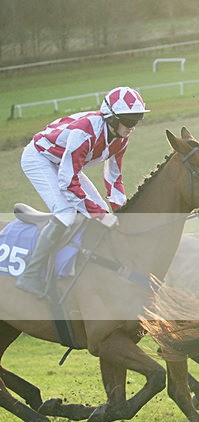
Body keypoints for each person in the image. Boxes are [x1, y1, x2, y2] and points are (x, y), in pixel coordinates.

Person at [15, 86, 148, 297]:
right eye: (129, 120)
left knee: (103, 212)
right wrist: (99, 215)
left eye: (137, 119)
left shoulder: (120, 138)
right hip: (39, 158)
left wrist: (119, 211)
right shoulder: (84, 133)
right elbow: (68, 183)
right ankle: (30, 275)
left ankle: (88, 264)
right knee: (67, 214)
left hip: (63, 162)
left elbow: (113, 177)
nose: (133, 126)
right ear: (112, 118)